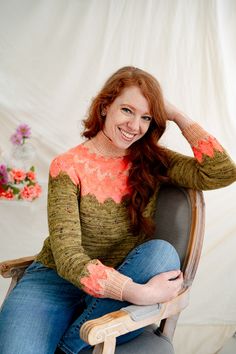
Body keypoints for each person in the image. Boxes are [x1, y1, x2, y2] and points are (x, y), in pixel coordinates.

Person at [0, 66, 235, 354]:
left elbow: (221, 172)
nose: (135, 126)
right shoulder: (68, 166)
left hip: (118, 284)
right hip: (56, 281)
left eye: (146, 117)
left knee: (161, 254)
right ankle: (86, 338)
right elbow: (68, 257)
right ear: (105, 106)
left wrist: (177, 116)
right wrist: (140, 293)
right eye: (127, 110)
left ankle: (69, 345)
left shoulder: (151, 161)